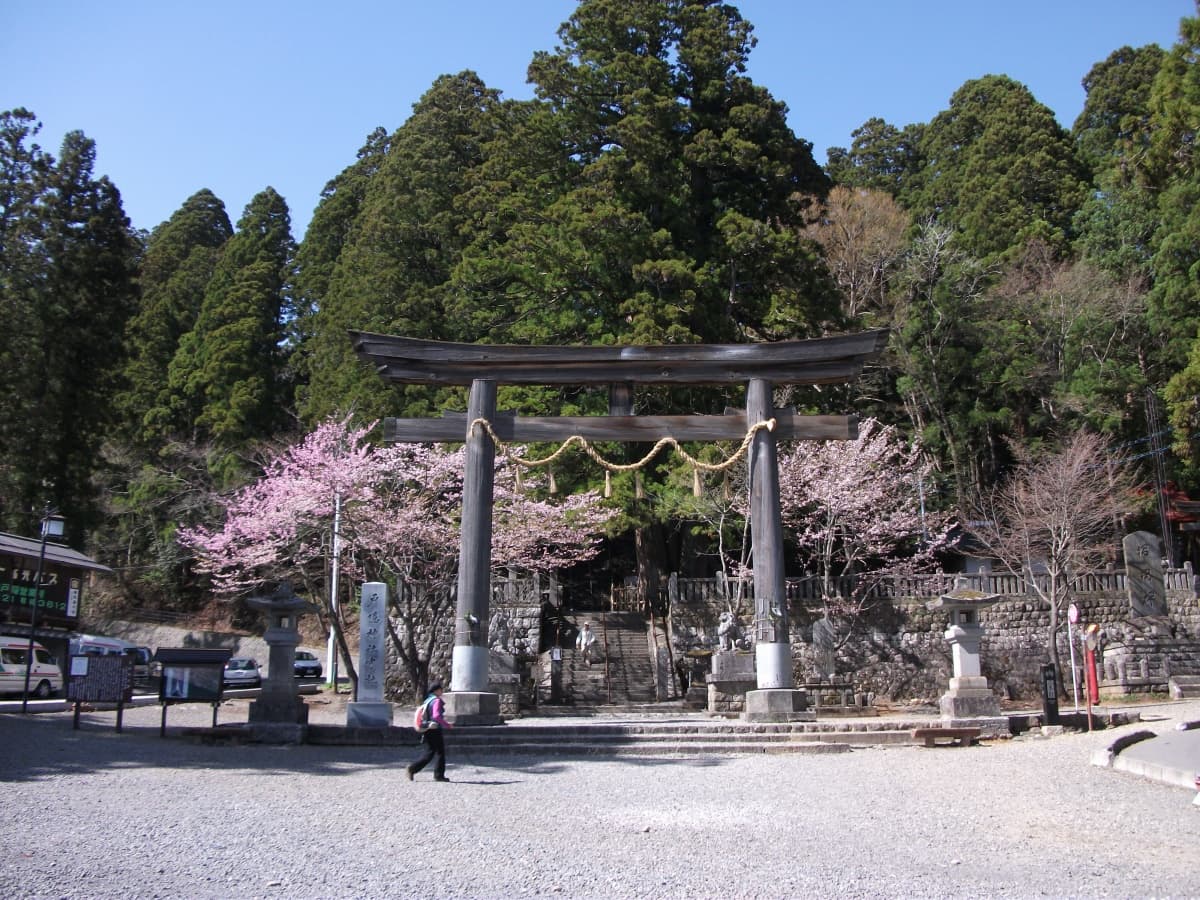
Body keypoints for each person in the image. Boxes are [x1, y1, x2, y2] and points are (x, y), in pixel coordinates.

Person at [406, 682, 452, 782]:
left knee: (431, 752)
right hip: (434, 728)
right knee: (439, 752)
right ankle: (437, 775)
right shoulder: (437, 701)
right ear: (436, 691)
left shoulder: (428, 700)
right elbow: (436, 716)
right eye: (440, 689)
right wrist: (446, 724)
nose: (442, 691)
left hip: (426, 728)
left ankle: (414, 769)